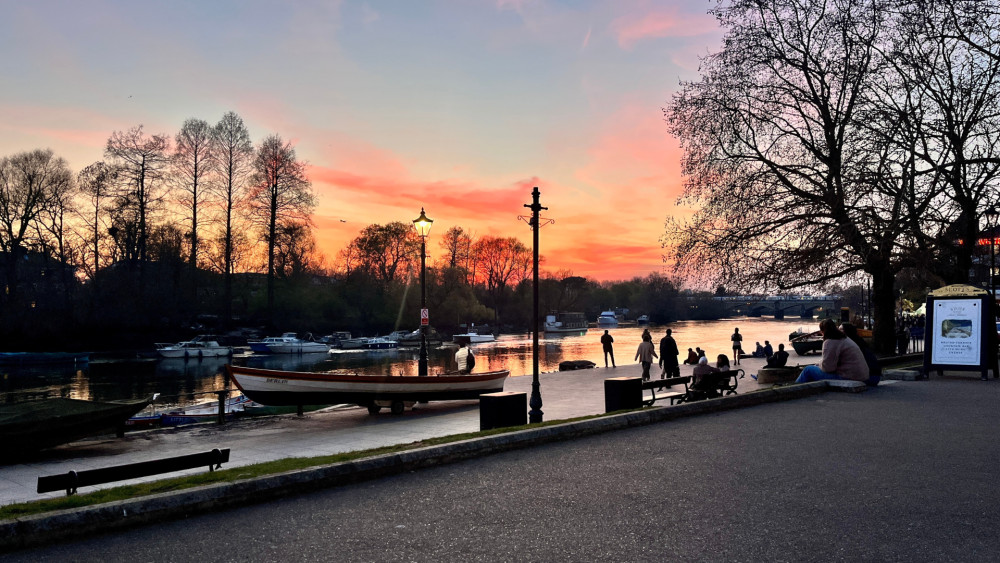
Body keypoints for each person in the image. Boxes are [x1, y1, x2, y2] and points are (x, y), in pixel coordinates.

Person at [795, 319, 869, 383]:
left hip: (849, 377)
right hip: (862, 376)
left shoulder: (829, 342)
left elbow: (827, 368)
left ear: (822, 331)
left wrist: (818, 364)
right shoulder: (844, 338)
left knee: (808, 370)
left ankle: (796, 388)